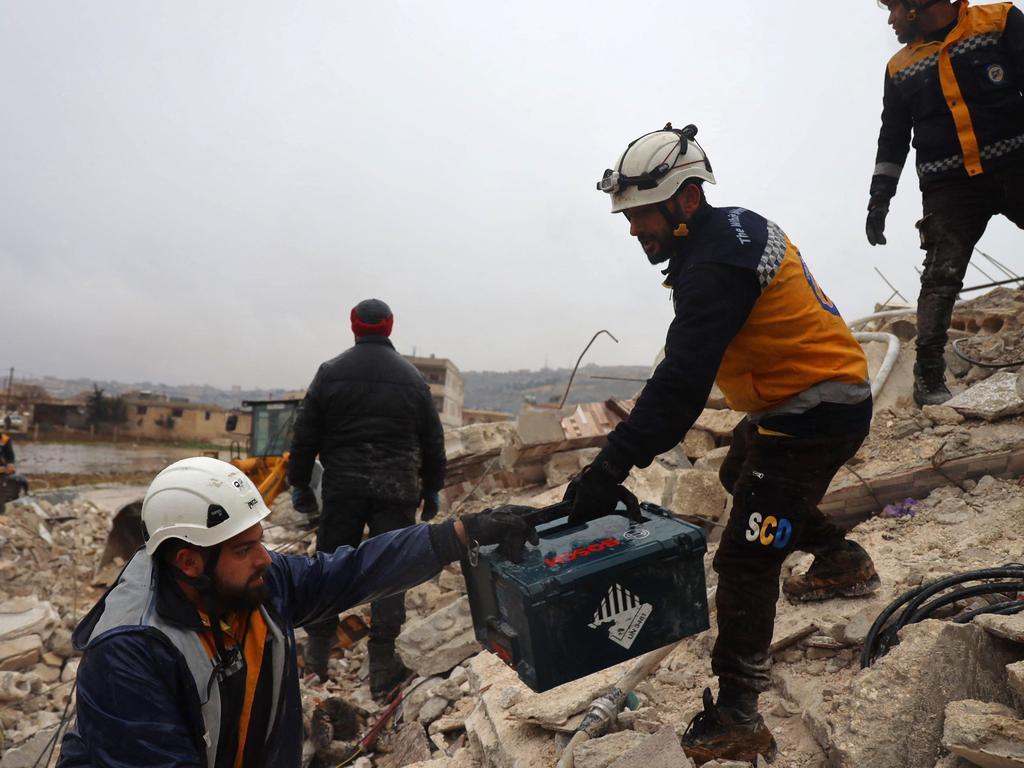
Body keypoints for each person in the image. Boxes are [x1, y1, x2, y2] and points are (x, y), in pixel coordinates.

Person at [572, 124, 880, 764]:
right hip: (798, 403)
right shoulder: (732, 230)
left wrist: (609, 467)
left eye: (640, 216)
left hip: (815, 414)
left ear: (685, 199)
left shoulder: (714, 265)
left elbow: (681, 383)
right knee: (739, 472)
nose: (633, 231)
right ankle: (840, 559)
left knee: (745, 558)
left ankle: (739, 711)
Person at [57, 457, 535, 768]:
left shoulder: (250, 584)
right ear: (189, 561)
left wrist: (456, 534)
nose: (265, 558)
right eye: (245, 549)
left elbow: (346, 573)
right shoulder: (128, 655)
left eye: (259, 542)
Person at [866, 0, 1024, 405]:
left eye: (894, 8)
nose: (890, 19)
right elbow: (893, 136)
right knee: (940, 278)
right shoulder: (899, 68)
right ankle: (929, 378)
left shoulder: (1000, 21)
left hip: (1016, 164)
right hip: (950, 187)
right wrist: (878, 200)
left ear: (917, 6)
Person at [287, 298, 447, 695]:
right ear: (390, 326)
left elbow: (304, 435)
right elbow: (433, 442)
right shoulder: (412, 379)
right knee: (391, 567)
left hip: (343, 488)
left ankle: (316, 661)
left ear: (353, 326)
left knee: (329, 567)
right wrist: (432, 489)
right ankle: (382, 666)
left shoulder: (330, 373)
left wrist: (301, 487)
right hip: (397, 489)